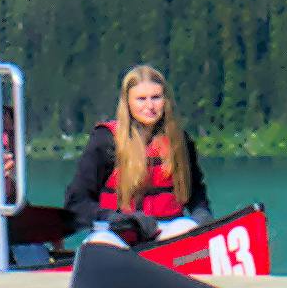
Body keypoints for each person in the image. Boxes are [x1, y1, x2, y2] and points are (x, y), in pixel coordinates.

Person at [73, 63, 209, 241]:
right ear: (127, 103)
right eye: (141, 99)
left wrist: (202, 219)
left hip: (167, 233)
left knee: (187, 227)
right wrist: (119, 219)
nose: (150, 106)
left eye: (156, 97)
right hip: (119, 231)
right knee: (102, 241)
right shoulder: (106, 140)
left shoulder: (180, 141)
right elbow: (77, 203)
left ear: (166, 101)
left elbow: (197, 196)